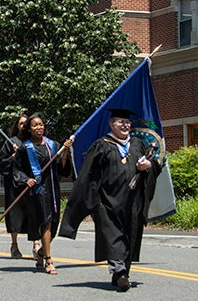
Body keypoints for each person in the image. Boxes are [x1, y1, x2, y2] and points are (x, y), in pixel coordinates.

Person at [59, 108, 162, 291]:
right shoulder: (102, 145)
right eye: (120, 122)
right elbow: (88, 176)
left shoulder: (138, 144)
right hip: (107, 202)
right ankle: (120, 272)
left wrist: (148, 165)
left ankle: (122, 273)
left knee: (129, 236)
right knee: (113, 237)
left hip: (133, 201)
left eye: (127, 122)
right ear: (111, 124)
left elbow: (155, 165)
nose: (125, 125)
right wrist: (93, 202)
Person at [13, 115, 73, 275]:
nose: (38, 128)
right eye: (34, 125)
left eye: (41, 125)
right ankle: (48, 260)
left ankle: (40, 253)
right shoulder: (25, 148)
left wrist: (65, 152)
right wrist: (26, 179)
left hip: (53, 188)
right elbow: (16, 169)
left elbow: (62, 168)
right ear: (29, 129)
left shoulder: (53, 145)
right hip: (38, 190)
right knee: (45, 221)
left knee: (54, 223)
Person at [0, 114, 39, 259]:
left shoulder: (33, 142)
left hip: (30, 183)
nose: (23, 126)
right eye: (21, 123)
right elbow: (0, 163)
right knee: (14, 215)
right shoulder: (10, 142)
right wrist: (12, 157)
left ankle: (36, 245)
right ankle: (14, 245)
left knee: (34, 214)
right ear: (17, 126)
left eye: (26, 123)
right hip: (14, 185)